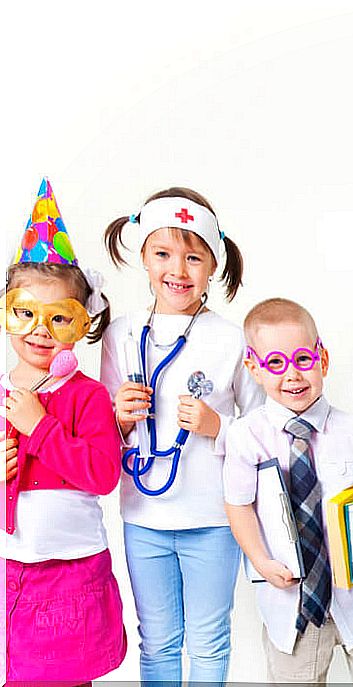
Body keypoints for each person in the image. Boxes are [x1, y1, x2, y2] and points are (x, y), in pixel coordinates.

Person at [100, 187, 263, 682]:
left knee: (210, 641)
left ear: (214, 264)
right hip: (144, 516)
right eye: (163, 253)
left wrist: (219, 428)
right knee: (158, 641)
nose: (179, 269)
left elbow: (261, 435)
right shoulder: (119, 335)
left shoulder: (232, 338)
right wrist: (120, 417)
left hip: (213, 517)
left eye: (194, 257)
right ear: (143, 257)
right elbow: (102, 434)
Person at [224, 297, 353, 684]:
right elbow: (239, 506)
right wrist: (261, 561)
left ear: (323, 360)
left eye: (303, 359)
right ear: (253, 369)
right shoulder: (246, 437)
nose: (293, 375)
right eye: (275, 363)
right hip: (289, 606)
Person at [3, 178, 126, 682]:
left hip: (74, 567)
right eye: (26, 313)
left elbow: (101, 476)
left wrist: (41, 427)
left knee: (70, 673)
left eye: (59, 318)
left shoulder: (88, 395)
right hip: (15, 566)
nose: (40, 330)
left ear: (82, 325)